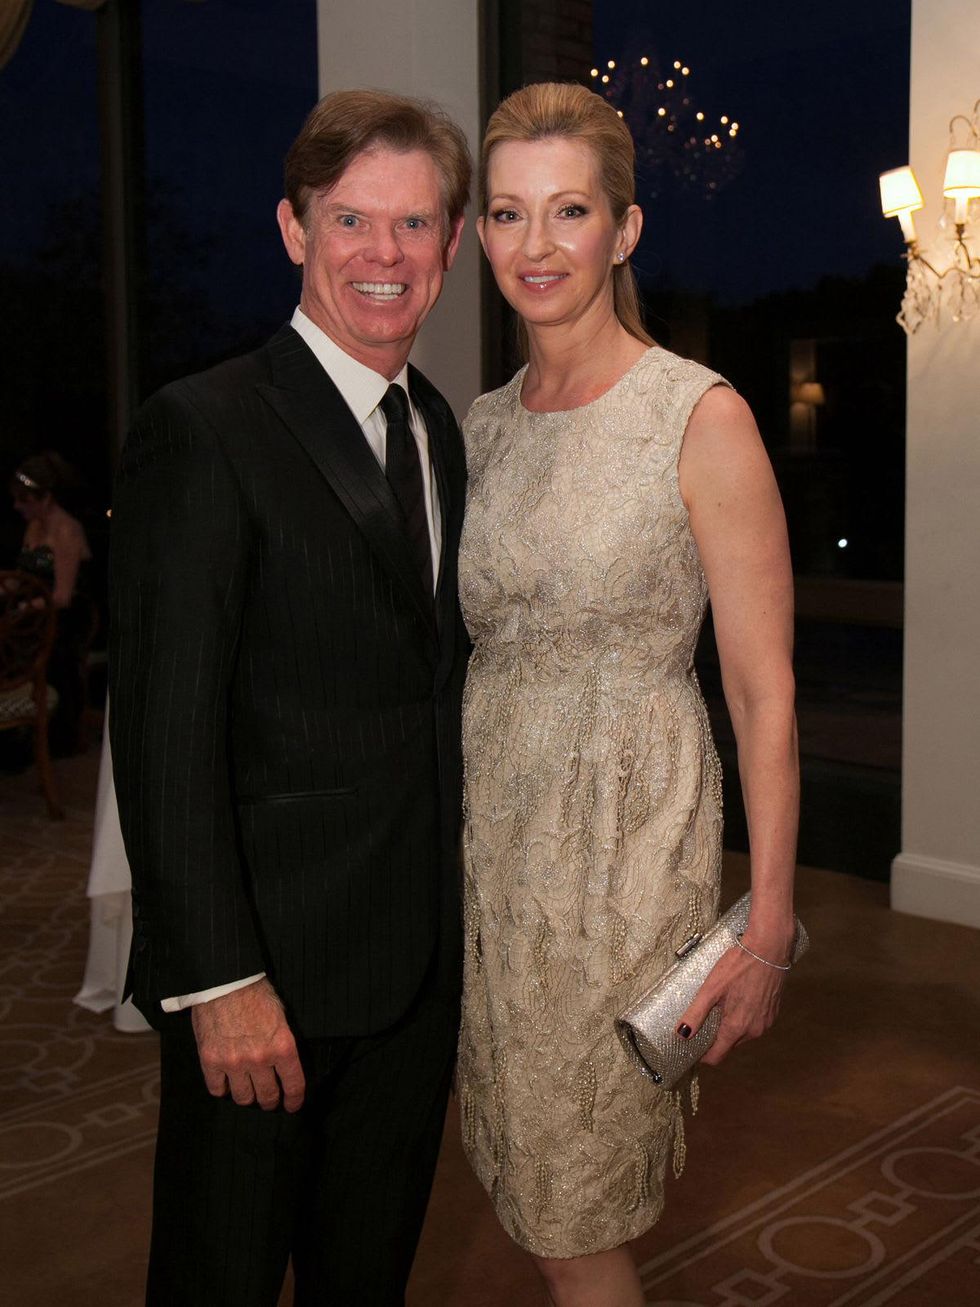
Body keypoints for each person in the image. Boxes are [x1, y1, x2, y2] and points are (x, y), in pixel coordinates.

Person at [108, 90, 472, 1306]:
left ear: (452, 245)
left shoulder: (437, 429)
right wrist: (217, 980)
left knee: (363, 1279)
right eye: (351, 220)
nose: (383, 254)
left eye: (412, 225)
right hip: (264, 982)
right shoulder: (203, 429)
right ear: (292, 229)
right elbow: (162, 734)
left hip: (414, 976)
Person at [457, 83, 799, 1307]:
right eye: (505, 213)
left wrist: (765, 926)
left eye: (567, 211)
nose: (534, 246)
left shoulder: (696, 415)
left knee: (572, 1208)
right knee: (520, 1178)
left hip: (622, 855)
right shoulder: (483, 430)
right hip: (493, 859)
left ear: (625, 228)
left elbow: (762, 695)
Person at [10, 451, 93, 754]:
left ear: (44, 498)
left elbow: (63, 596)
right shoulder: (34, 527)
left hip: (65, 618)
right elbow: (23, 577)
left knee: (18, 641)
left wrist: (24, 608)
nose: (17, 507)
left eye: (24, 500)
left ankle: (43, 733)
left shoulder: (67, 530)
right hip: (35, 613)